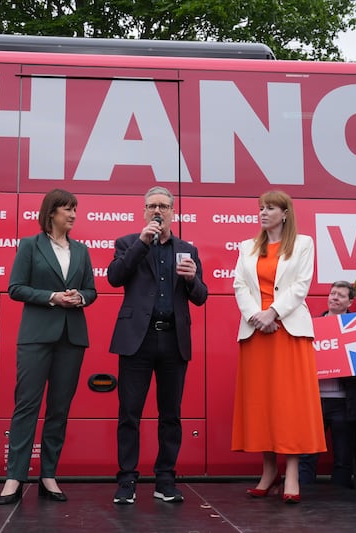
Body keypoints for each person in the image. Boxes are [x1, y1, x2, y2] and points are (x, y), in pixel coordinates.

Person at [108, 186, 208, 505]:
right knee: (129, 413)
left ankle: (165, 480)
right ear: (143, 211)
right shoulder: (128, 243)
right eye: (152, 205)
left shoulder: (187, 249)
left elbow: (201, 297)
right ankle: (127, 482)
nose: (158, 210)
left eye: (164, 206)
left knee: (170, 415)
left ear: (172, 212)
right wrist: (143, 241)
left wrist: (193, 279)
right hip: (138, 339)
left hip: (173, 340)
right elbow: (115, 277)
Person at [0, 189, 97, 505]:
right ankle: (14, 476)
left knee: (59, 408)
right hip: (36, 336)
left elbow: (92, 290)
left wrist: (79, 297)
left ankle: (48, 475)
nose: (73, 215)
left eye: (75, 210)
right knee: (26, 404)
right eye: (67, 209)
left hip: (72, 337)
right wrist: (51, 297)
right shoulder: (30, 245)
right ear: (51, 212)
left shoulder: (82, 250)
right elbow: (15, 288)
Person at [231, 190, 325, 504]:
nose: (263, 213)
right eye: (260, 208)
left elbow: (301, 285)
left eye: (270, 208)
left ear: (285, 213)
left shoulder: (304, 243)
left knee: (289, 404)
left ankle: (293, 475)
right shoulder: (246, 246)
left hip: (289, 331)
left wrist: (274, 313)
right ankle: (269, 472)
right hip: (256, 332)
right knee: (262, 403)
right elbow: (239, 285)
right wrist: (256, 316)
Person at [299, 281, 356, 494]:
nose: (335, 298)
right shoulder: (312, 323)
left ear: (350, 302)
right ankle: (303, 493)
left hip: (345, 401)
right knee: (307, 453)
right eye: (332, 293)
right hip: (314, 399)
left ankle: (341, 498)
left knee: (343, 454)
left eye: (341, 295)